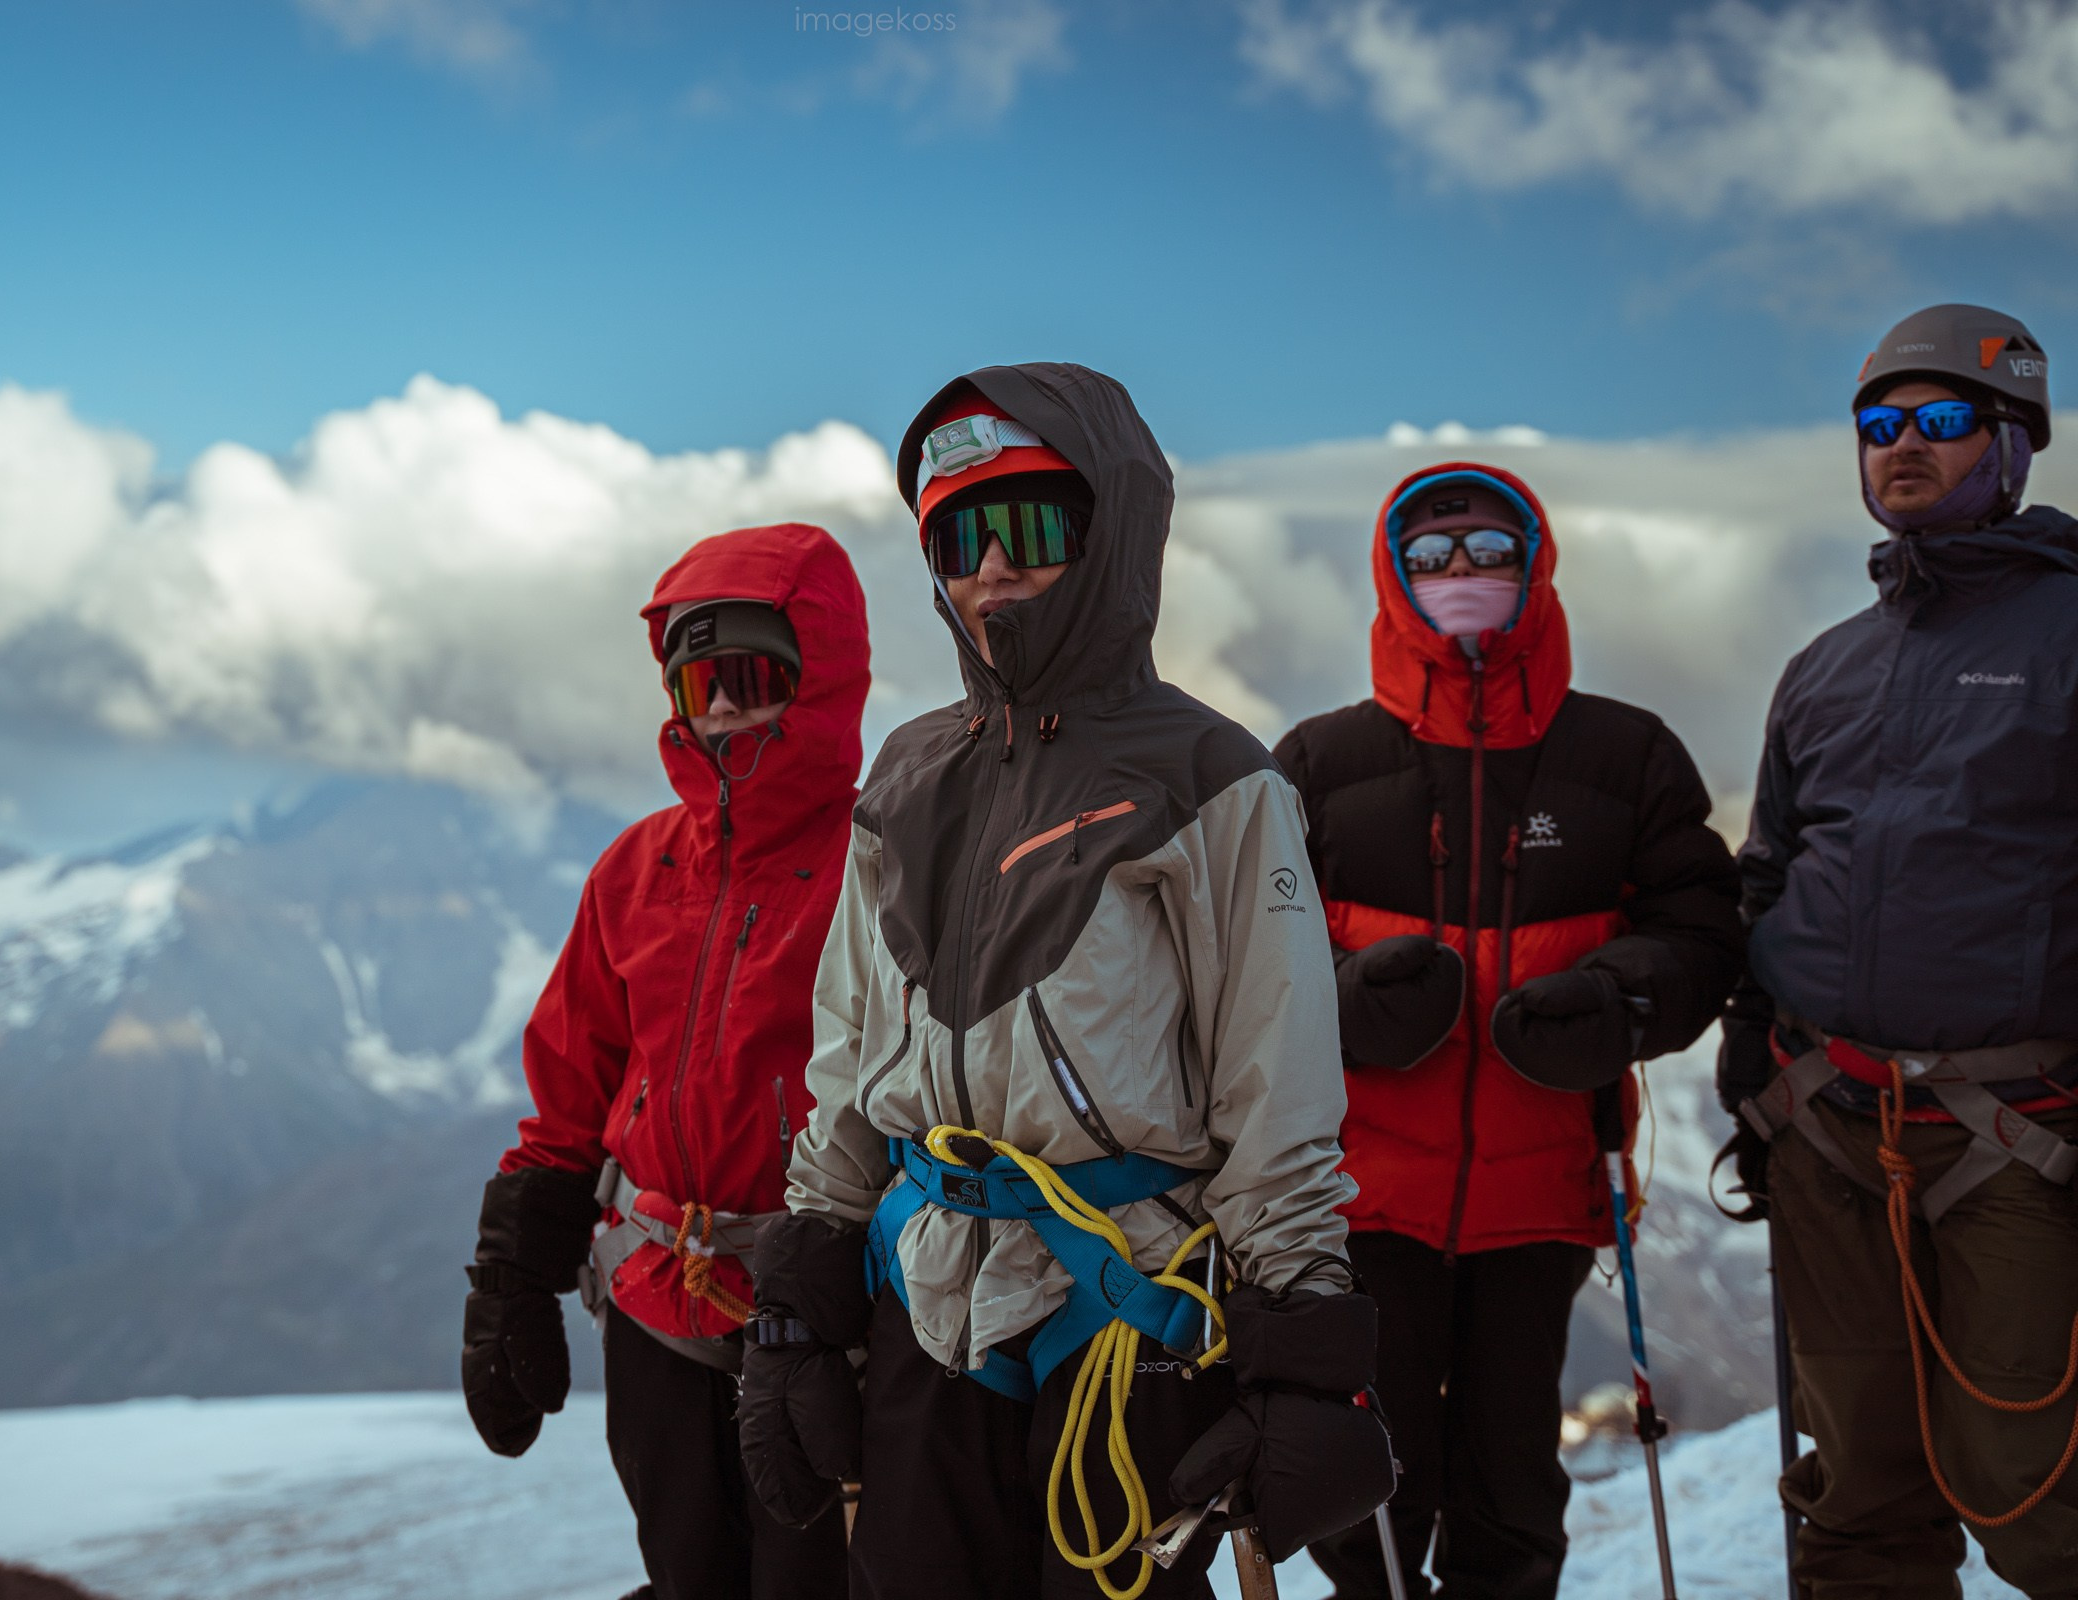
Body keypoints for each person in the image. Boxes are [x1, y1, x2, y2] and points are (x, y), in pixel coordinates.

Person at [737, 363, 1394, 1600]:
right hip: (923, 1300)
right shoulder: (908, 773)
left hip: (1125, 1314)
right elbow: (849, 1057)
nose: (991, 565)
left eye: (1032, 524)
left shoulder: (1212, 777)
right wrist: (801, 1299)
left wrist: (1305, 1353)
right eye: (956, 536)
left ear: (1111, 530)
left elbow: (1278, 1089)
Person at [1274, 463, 1743, 1598]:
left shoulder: (1623, 759)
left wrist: (1626, 997)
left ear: (1535, 569)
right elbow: (1237, 968)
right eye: (1432, 557)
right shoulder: (1317, 768)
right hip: (1360, 1198)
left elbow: (1703, 929)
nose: (1462, 575)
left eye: (1491, 550)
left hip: (1541, 1199)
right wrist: (1342, 1001)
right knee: (1369, 1501)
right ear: (1393, 578)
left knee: (1511, 1491)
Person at [1720, 303, 2078, 1599]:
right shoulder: (1827, 670)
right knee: (1860, 1489)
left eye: (1941, 421)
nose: (1902, 447)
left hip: (2020, 1131)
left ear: (2017, 443)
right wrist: (1750, 1036)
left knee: (2039, 1492)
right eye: (1879, 426)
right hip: (1829, 1126)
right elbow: (1769, 871)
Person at [460, 521, 869, 1600]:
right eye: (699, 684)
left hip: (830, 1314)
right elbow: (572, 1081)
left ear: (817, 678)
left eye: (752, 675)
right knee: (688, 1576)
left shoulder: (879, 860)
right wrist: (513, 1273)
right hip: (655, 1302)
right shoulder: (635, 869)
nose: (724, 706)